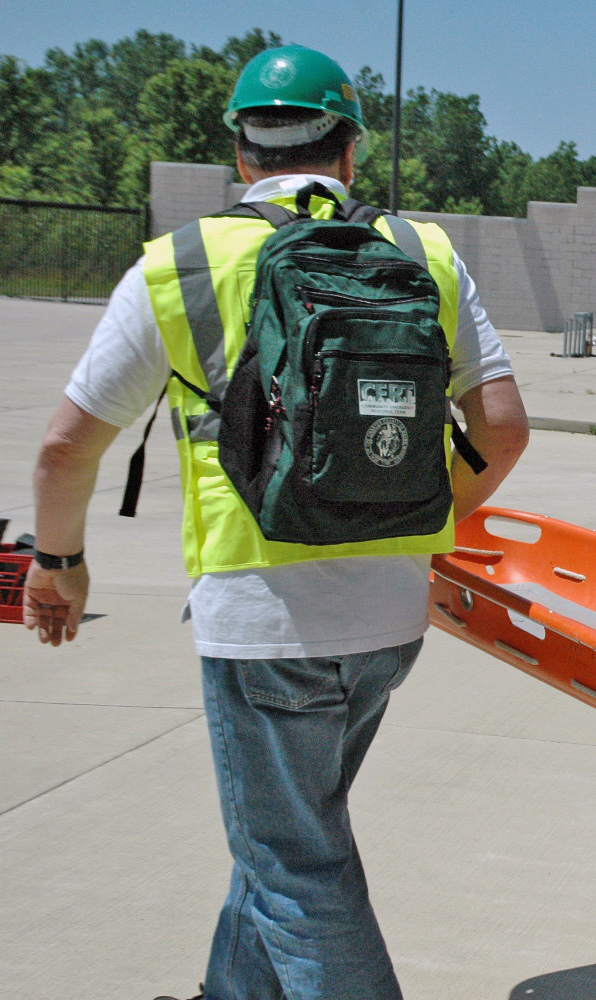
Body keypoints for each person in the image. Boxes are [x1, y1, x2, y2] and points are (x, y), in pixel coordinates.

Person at [23, 45, 529, 1000]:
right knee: (285, 836)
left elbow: (63, 450)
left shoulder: (181, 263)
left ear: (243, 153)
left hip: (264, 625)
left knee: (296, 863)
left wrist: (61, 563)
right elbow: (501, 430)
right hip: (389, 622)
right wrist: (413, 519)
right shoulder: (422, 252)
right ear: (347, 150)